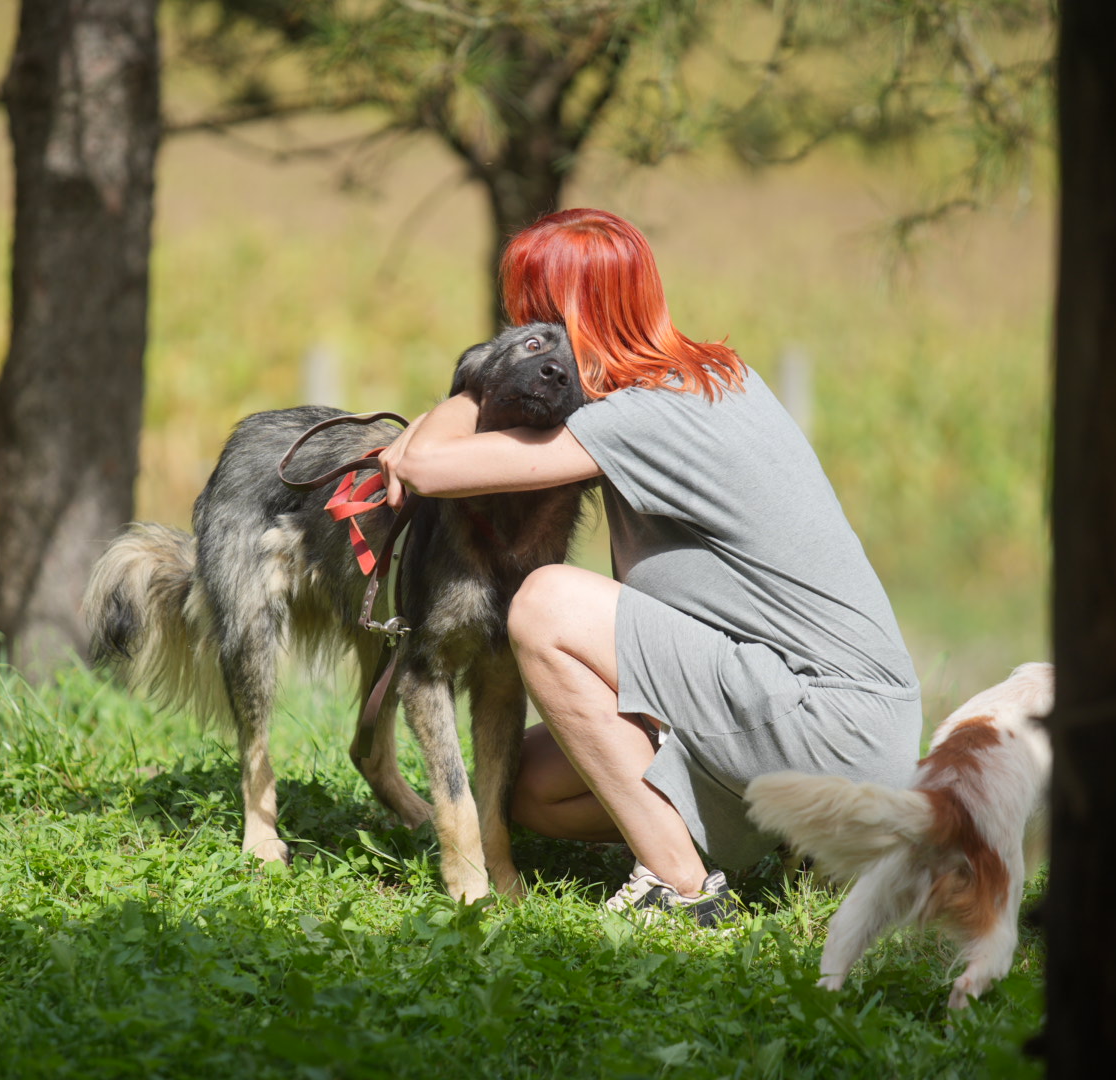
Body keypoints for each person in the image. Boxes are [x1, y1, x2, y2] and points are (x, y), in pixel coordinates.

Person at [378, 208, 921, 923]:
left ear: (568, 313)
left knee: (544, 603)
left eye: (534, 317)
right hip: (840, 722)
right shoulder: (711, 377)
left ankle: (679, 885)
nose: (528, 336)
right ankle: (782, 837)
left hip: (829, 724)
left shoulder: (639, 416)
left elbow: (425, 466)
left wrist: (474, 381)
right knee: (528, 787)